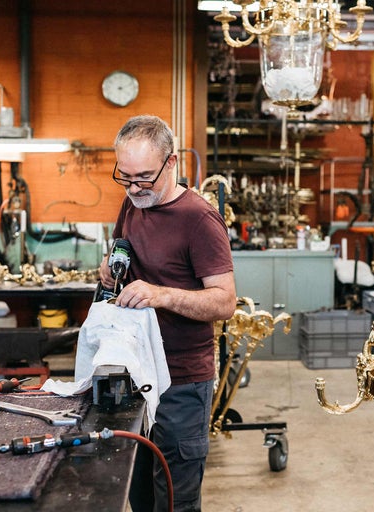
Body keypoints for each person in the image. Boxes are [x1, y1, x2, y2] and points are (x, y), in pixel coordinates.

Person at [98, 115, 236, 512]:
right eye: (124, 177)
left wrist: (161, 295)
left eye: (144, 177)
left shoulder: (200, 219)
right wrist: (110, 269)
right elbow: (124, 255)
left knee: (175, 499)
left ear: (171, 163)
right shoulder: (131, 203)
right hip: (135, 374)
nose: (134, 188)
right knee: (137, 492)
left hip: (180, 383)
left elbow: (224, 301)